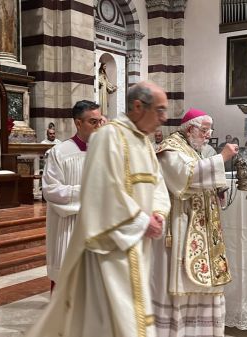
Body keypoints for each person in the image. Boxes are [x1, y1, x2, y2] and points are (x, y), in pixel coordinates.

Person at [25, 81, 171, 337]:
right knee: (115, 323)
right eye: (159, 110)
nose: (164, 118)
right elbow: (103, 190)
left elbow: (157, 183)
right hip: (109, 248)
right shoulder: (108, 137)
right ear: (138, 106)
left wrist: (159, 212)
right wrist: (141, 221)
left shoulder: (145, 143)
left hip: (137, 243)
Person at [152, 108, 239, 337]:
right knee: (182, 283)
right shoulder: (169, 148)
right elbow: (184, 176)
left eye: (210, 129)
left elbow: (201, 178)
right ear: (190, 128)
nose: (208, 134)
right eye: (204, 130)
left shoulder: (192, 148)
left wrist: (216, 190)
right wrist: (222, 158)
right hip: (181, 225)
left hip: (199, 225)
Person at [42, 100, 102, 290]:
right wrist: (86, 192)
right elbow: (50, 190)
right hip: (69, 226)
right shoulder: (59, 153)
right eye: (93, 122)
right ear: (78, 123)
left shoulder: (104, 152)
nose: (99, 126)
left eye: (100, 121)